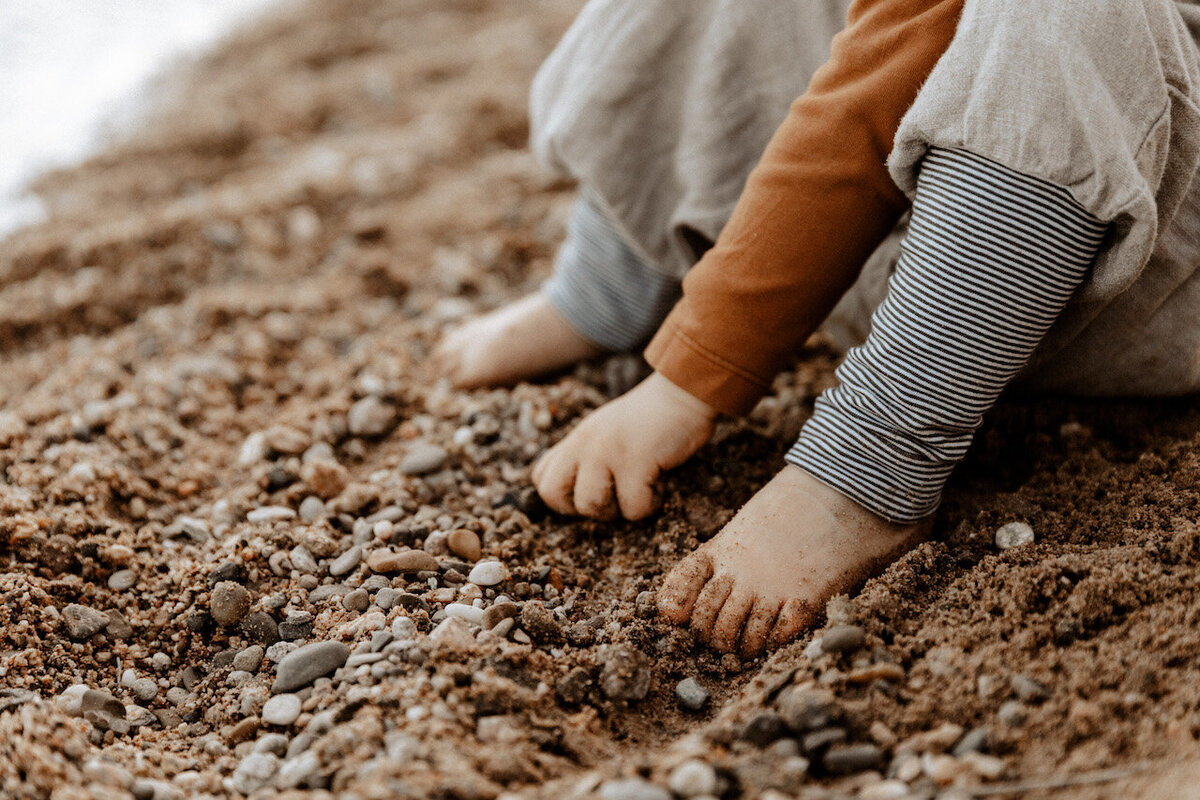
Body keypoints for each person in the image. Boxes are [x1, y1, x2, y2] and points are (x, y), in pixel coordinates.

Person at [435, 0, 1200, 657]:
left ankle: (874, 461)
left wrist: (687, 380)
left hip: (1117, 261)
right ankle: (616, 276)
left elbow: (885, 79)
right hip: (921, 244)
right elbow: (882, 62)